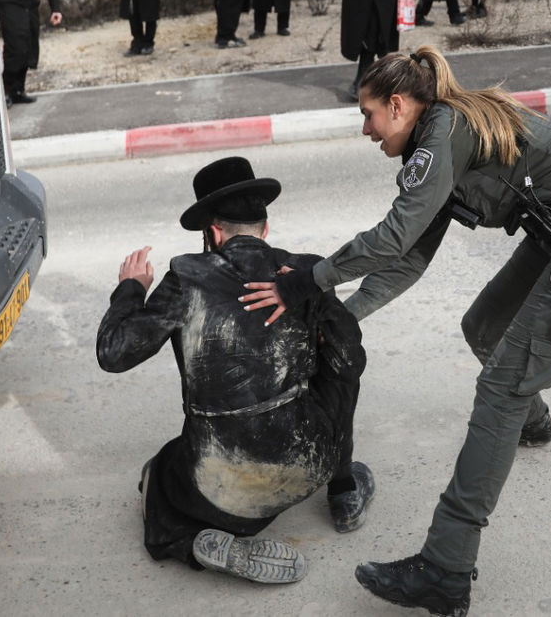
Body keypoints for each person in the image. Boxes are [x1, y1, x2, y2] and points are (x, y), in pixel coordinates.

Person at [239, 46, 551, 617]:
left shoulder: (443, 132)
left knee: (500, 391)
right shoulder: (438, 140)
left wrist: (307, 282)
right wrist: (340, 319)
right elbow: (408, 258)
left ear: (398, 105)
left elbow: (392, 237)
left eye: (368, 115)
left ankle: (445, 570)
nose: (366, 131)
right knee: (484, 326)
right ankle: (533, 423)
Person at [96, 156, 375, 584]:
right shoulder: (304, 273)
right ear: (265, 229)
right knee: (340, 367)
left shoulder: (186, 279)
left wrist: (131, 288)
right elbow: (350, 364)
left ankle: (190, 543)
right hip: (309, 466)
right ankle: (343, 490)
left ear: (212, 233)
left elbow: (113, 353)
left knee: (161, 473)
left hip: (222, 488)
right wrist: (317, 305)